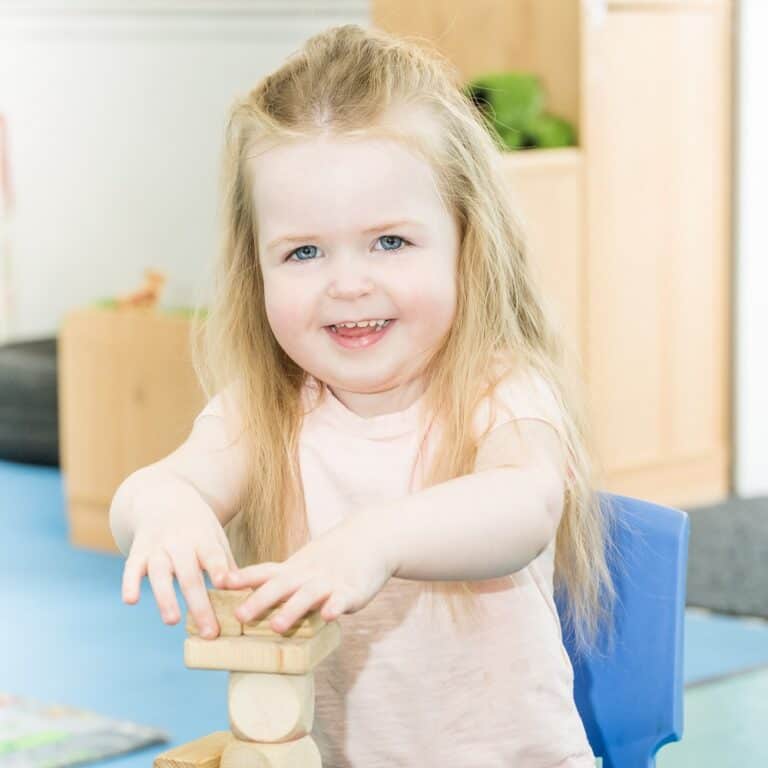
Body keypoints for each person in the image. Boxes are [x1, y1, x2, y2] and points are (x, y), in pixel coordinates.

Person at [109, 23, 622, 767]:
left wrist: (372, 543)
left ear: (465, 244)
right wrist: (164, 510)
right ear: (257, 271)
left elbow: (526, 503)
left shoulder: (498, 388)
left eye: (390, 242)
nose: (347, 283)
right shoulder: (266, 410)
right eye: (304, 251)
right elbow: (158, 485)